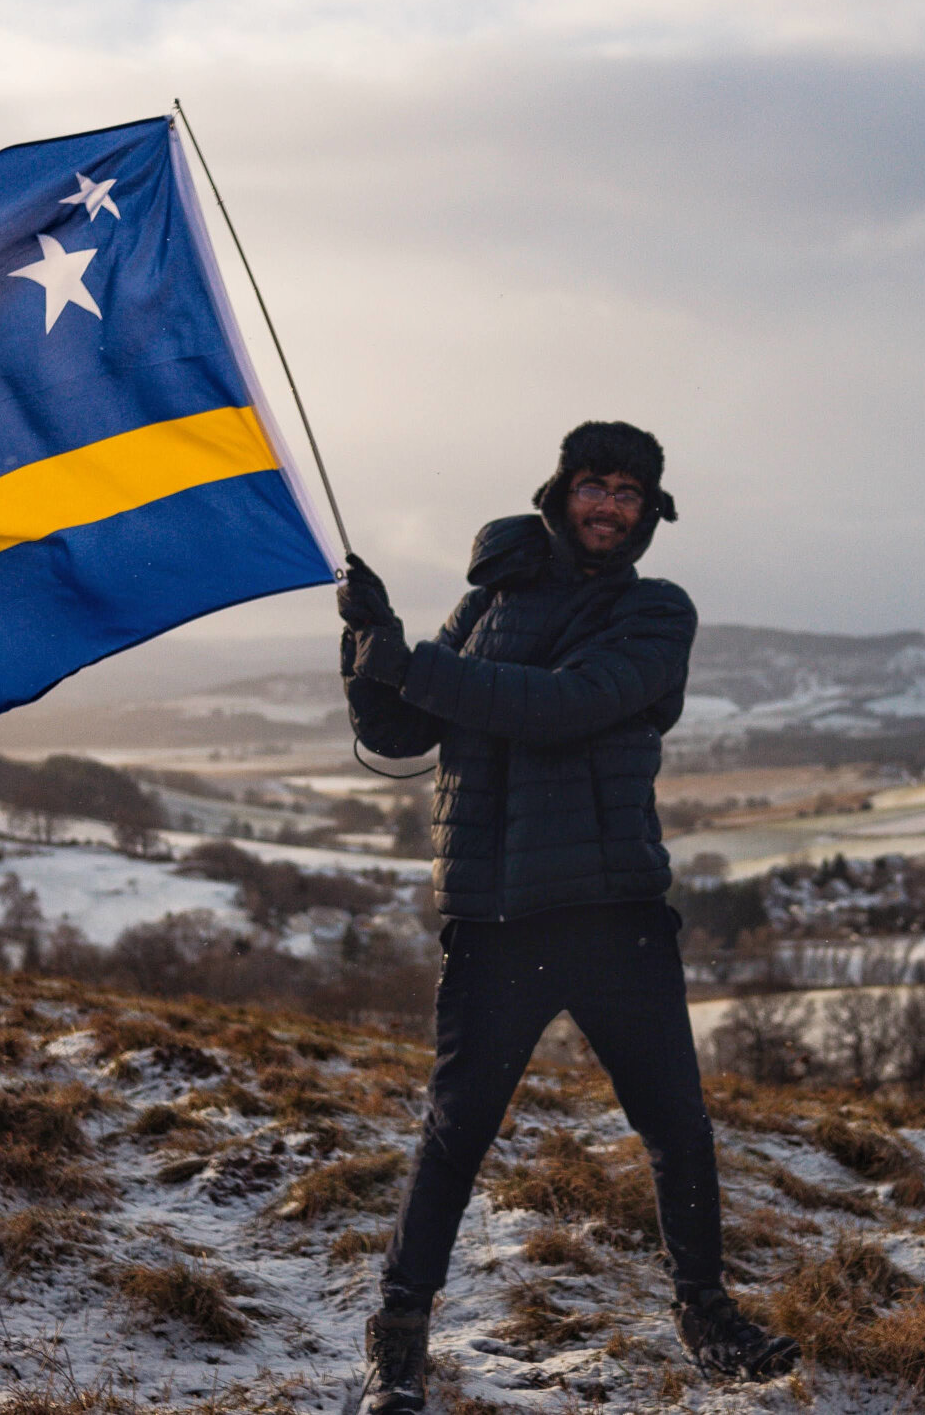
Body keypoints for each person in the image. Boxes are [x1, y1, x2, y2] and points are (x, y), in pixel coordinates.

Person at [337, 421, 797, 1413]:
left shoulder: (654, 614)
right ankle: (400, 1330)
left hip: (613, 913)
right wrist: (364, 641)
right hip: (495, 921)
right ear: (561, 490)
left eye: (630, 493)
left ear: (648, 515)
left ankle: (706, 1312)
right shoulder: (488, 600)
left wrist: (413, 661)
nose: (609, 505)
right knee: (455, 1132)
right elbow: (399, 728)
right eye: (594, 484)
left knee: (675, 1121)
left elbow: (560, 705)